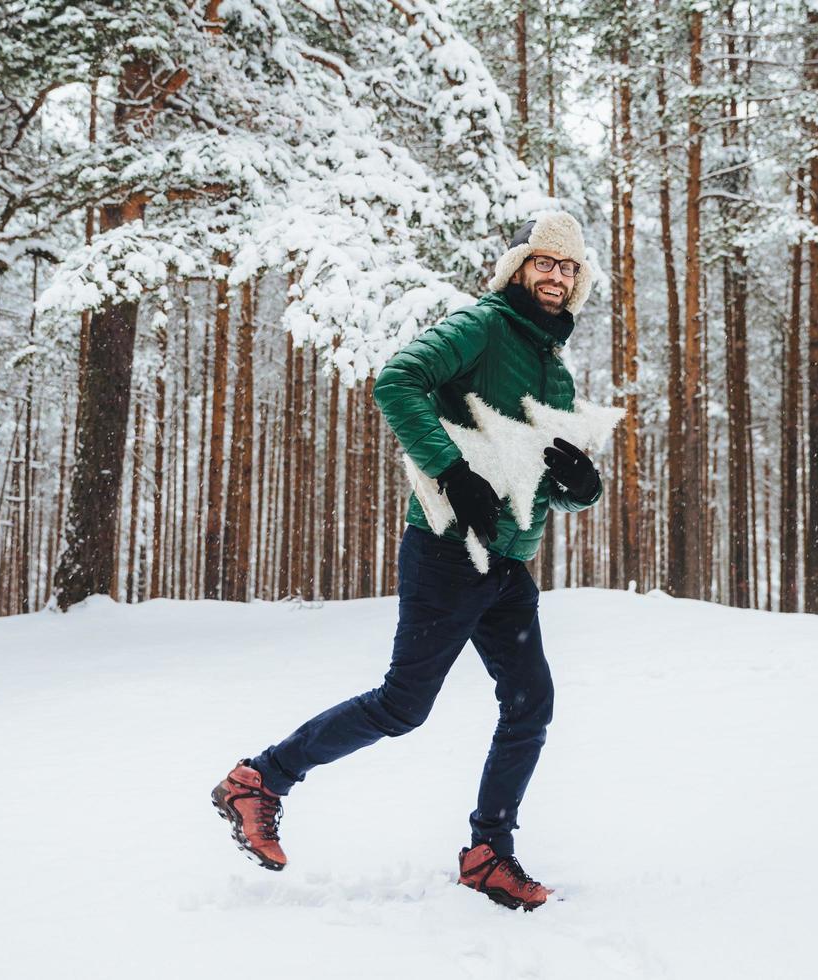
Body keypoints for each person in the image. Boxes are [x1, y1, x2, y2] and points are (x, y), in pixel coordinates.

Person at [211, 212, 604, 912]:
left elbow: (539, 472)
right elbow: (397, 382)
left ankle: (489, 853)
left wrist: (578, 490)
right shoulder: (482, 326)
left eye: (569, 267)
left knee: (529, 704)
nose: (557, 275)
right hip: (449, 551)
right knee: (403, 705)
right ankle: (260, 780)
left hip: (507, 565)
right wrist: (451, 472)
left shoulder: (556, 371)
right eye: (545, 262)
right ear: (518, 270)